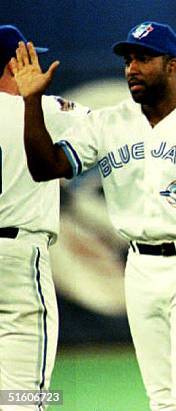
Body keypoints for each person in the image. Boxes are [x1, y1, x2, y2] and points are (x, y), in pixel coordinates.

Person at [10, 21, 176, 411]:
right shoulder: (108, 122)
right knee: (161, 399)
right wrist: (31, 103)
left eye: (144, 58)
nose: (132, 68)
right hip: (140, 268)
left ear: (172, 65)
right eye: (128, 59)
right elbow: (47, 168)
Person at [0, 24, 88, 410]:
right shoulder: (44, 111)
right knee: (23, 395)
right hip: (17, 258)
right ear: (16, 63)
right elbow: (123, 123)